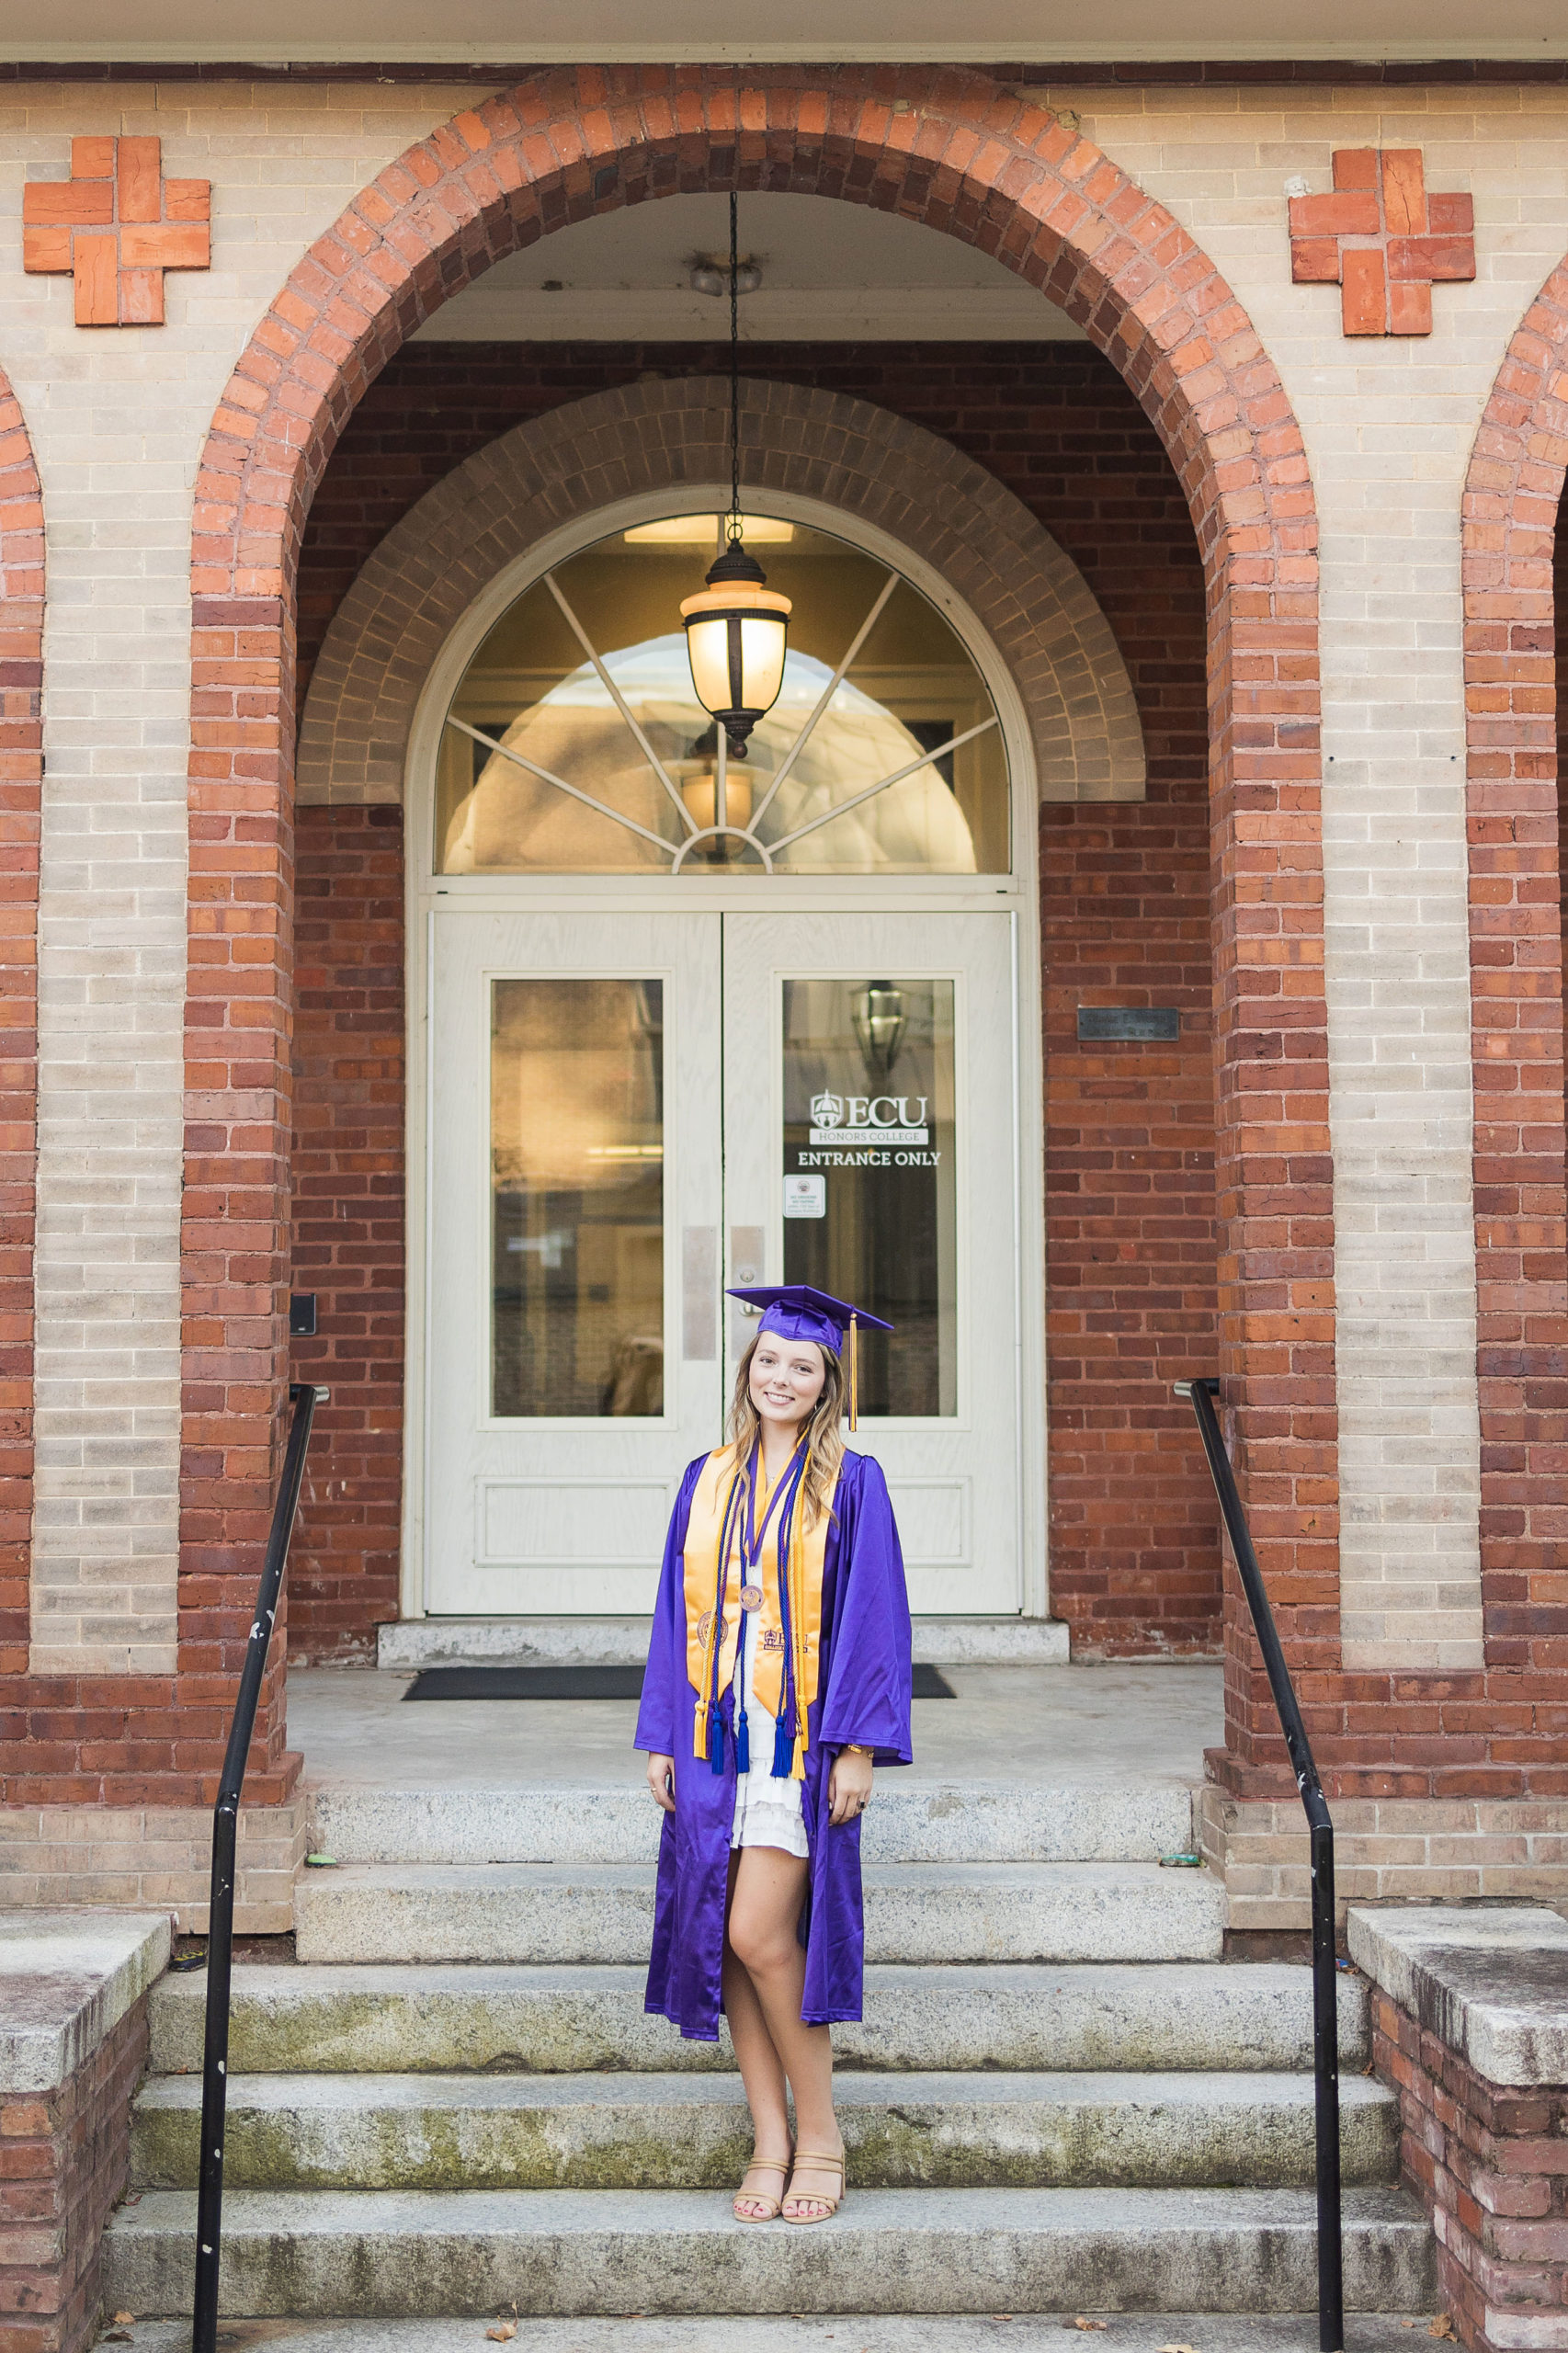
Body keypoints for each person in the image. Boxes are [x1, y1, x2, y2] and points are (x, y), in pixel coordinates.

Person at [635, 1283, 913, 2226]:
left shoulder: (853, 1482)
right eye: (767, 1362)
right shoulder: (704, 1476)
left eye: (801, 1365)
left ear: (827, 1380)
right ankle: (769, 2138)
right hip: (715, 1740)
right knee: (723, 1936)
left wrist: (861, 1748)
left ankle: (822, 2131)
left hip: (800, 1742)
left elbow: (872, 1620)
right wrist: (662, 1734)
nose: (780, 1378)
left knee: (757, 1931)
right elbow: (674, 1617)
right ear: (746, 1370)